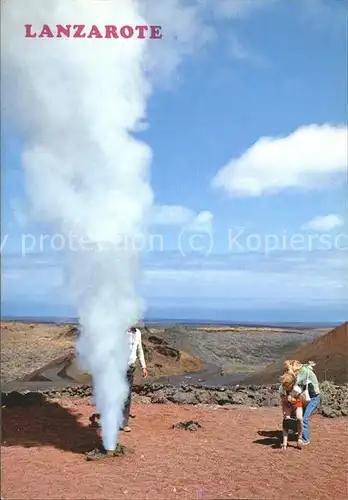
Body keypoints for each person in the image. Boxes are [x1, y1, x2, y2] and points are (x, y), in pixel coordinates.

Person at [283, 359, 321, 446]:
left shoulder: (304, 371)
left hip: (314, 398)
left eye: (290, 367)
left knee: (305, 418)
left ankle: (305, 440)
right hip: (308, 397)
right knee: (299, 415)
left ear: (294, 366)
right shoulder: (303, 370)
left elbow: (296, 381)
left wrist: (290, 371)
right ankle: (298, 433)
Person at [120, 325, 148, 433]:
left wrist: (143, 367)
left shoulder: (138, 333)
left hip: (130, 368)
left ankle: (124, 423)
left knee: (126, 396)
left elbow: (139, 350)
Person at [279, 372, 305, 449]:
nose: (285, 387)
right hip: (287, 404)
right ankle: (284, 442)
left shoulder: (297, 389)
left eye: (286, 386)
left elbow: (300, 399)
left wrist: (293, 400)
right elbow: (282, 398)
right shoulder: (281, 388)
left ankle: (299, 438)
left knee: (299, 418)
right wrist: (286, 399)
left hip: (296, 403)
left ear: (291, 385)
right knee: (286, 420)